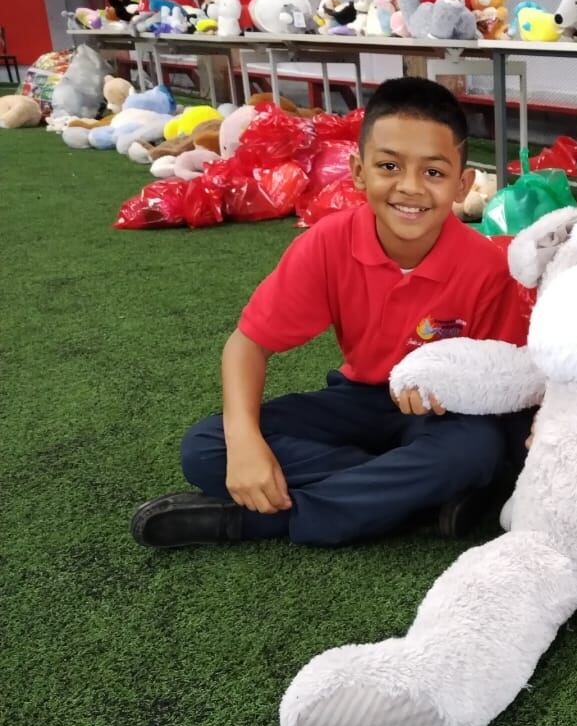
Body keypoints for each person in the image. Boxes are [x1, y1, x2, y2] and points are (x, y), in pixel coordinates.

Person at [131, 77, 528, 548]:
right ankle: (413, 496)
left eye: (434, 173)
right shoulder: (327, 243)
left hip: (439, 418)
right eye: (389, 166)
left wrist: (454, 389)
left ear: (463, 184)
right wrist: (244, 441)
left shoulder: (487, 266)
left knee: (476, 450)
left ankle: (257, 522)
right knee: (206, 447)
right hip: (357, 401)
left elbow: (508, 377)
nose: (409, 187)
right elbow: (247, 345)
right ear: (359, 171)